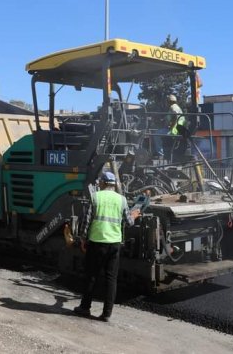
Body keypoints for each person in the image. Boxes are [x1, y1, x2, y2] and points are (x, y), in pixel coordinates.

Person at [73, 172, 140, 322]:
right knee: (111, 279)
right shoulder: (121, 199)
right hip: (114, 244)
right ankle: (106, 314)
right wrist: (134, 215)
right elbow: (128, 222)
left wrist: (83, 239)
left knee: (91, 276)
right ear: (114, 184)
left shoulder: (96, 197)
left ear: (102, 183)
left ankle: (85, 308)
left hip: (96, 242)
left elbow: (86, 221)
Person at [153, 94, 189, 159]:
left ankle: (160, 154)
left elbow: (174, 116)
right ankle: (165, 152)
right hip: (180, 129)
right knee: (161, 131)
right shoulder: (177, 107)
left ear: (169, 101)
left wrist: (171, 126)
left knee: (156, 134)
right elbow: (171, 117)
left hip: (174, 130)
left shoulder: (173, 107)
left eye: (167, 101)